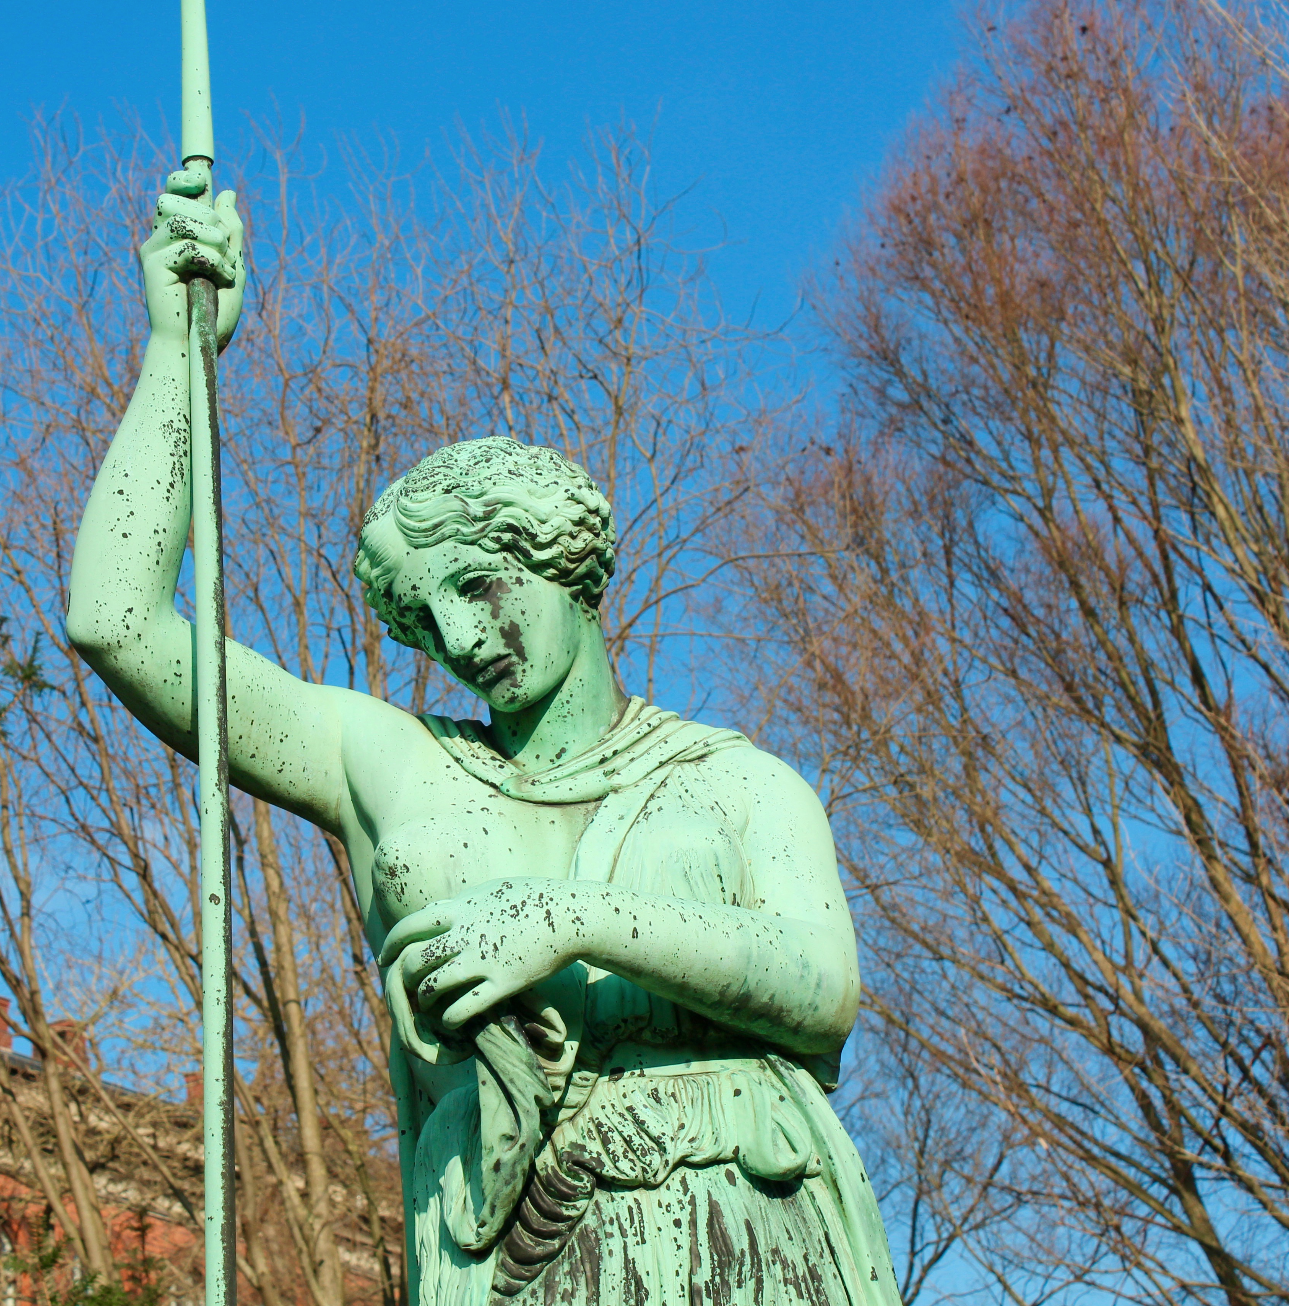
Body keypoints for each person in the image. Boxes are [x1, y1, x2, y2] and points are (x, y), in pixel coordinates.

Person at [67, 171, 902, 1306]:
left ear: (555, 555)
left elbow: (820, 985)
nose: (461, 637)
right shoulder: (396, 765)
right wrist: (180, 348)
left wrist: (566, 920)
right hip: (500, 1249)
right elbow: (117, 622)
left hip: (748, 1233)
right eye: (426, 615)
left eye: (480, 584)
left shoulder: (736, 782)